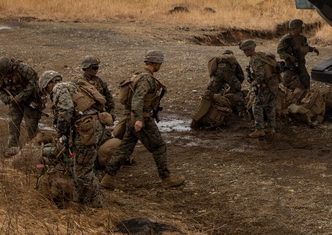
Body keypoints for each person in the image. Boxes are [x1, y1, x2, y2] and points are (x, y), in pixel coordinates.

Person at [100, 51, 185, 190]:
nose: (160, 65)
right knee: (159, 146)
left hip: (130, 118)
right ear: (155, 63)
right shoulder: (146, 79)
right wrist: (139, 120)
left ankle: (108, 178)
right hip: (141, 118)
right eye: (160, 63)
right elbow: (137, 100)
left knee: (125, 149)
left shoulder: (137, 75)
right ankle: (166, 178)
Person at [39, 70, 105, 208]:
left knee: (83, 171)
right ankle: (80, 202)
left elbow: (66, 109)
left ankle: (96, 206)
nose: (47, 92)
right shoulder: (71, 86)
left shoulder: (59, 88)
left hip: (85, 130)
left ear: (50, 83)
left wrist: (61, 132)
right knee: (79, 167)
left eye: (46, 88)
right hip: (90, 126)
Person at [0, 56, 42, 157]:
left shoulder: (24, 69)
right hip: (14, 101)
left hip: (30, 100)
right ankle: (12, 147)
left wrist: (21, 96)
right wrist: (7, 99)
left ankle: (34, 146)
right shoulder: (0, 74)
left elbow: (33, 84)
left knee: (31, 124)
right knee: (13, 124)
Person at [192, 49, 246, 129]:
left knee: (209, 92)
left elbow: (212, 72)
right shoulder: (232, 60)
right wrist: (235, 86)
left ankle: (204, 111)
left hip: (217, 75)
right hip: (229, 75)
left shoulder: (217, 59)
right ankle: (240, 112)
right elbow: (240, 75)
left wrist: (217, 85)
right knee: (237, 89)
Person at [240, 40, 280, 138]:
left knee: (257, 105)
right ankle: (271, 127)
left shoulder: (255, 59)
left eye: (245, 50)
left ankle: (259, 129)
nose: (244, 52)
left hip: (266, 85)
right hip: (274, 84)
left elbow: (260, 75)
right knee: (270, 105)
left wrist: (253, 83)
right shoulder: (261, 55)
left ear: (250, 50)